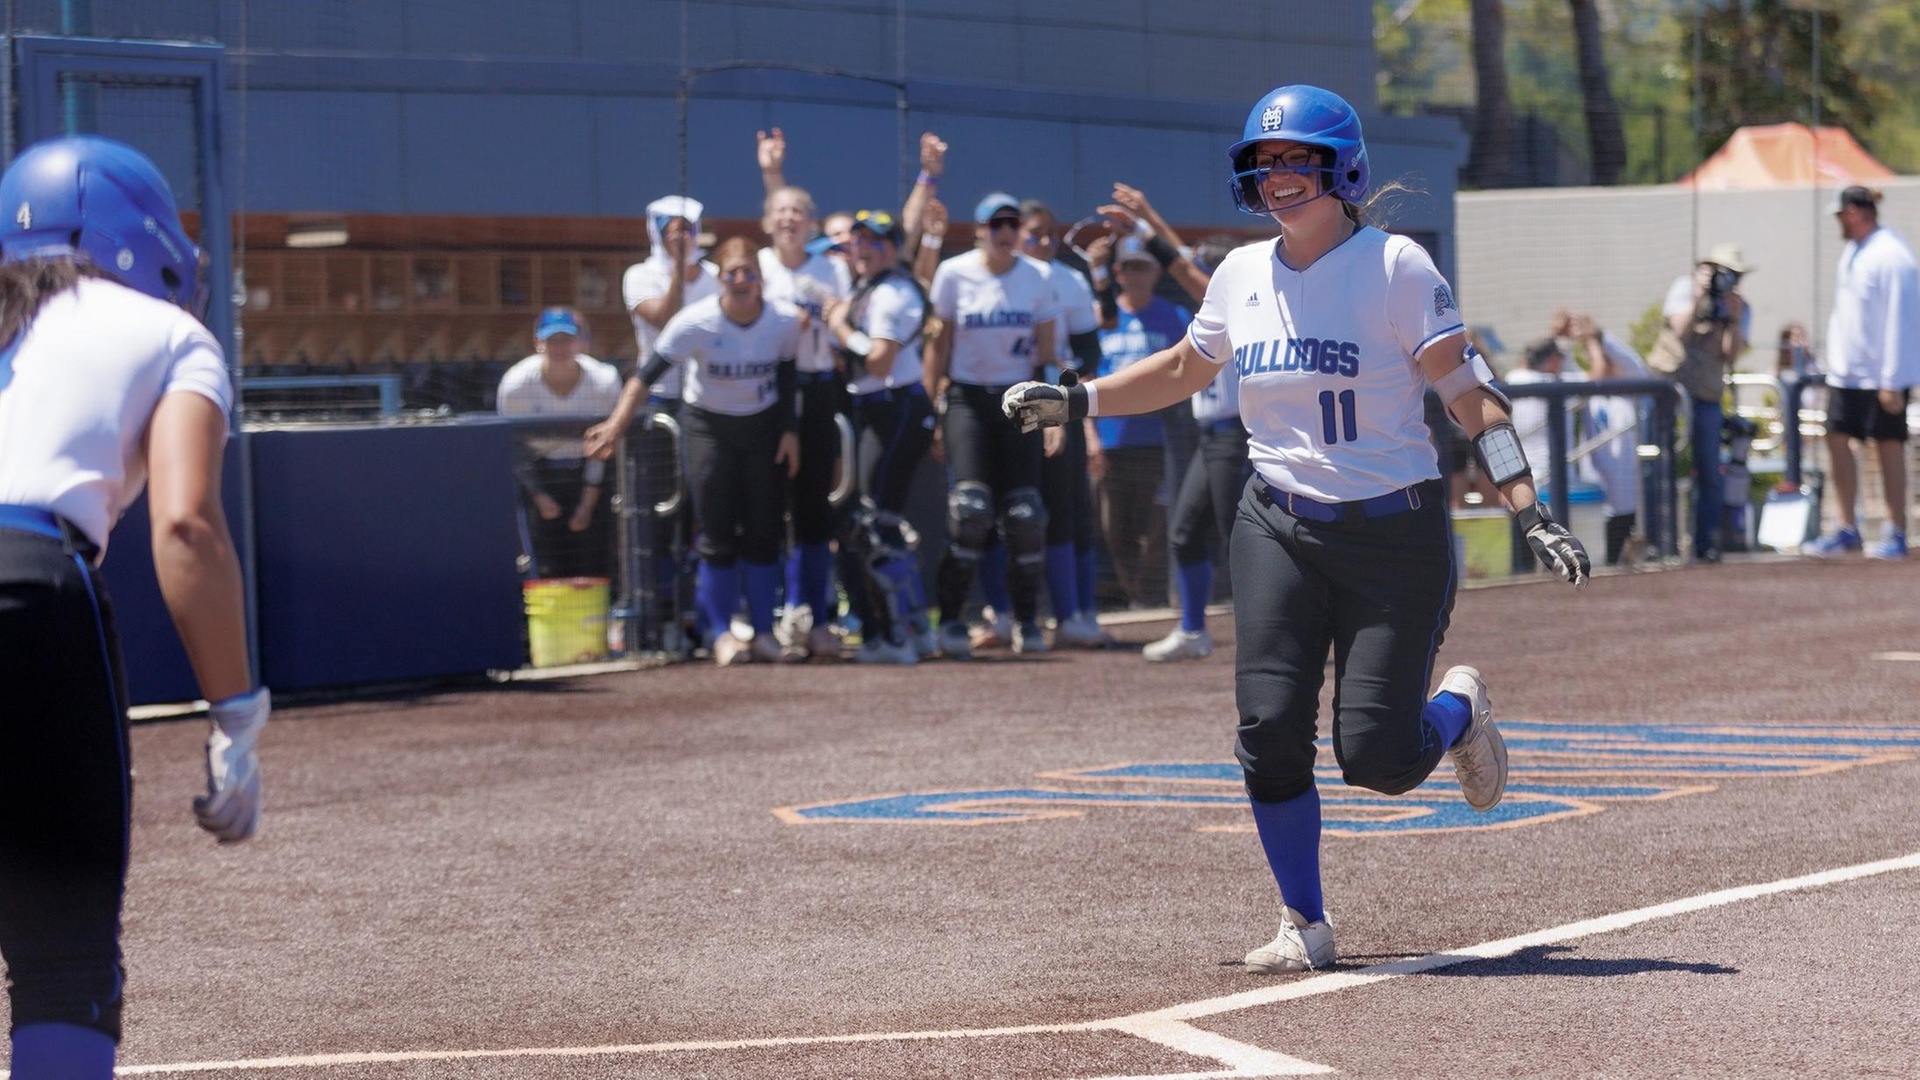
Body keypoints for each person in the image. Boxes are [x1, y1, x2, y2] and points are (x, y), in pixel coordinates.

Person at [1003, 85, 1589, 973]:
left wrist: (1529, 509)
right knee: (1269, 725)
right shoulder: (1240, 274)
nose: (1278, 177)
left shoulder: (1396, 266)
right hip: (1274, 521)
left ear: (1341, 166)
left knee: (1379, 759)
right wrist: (1075, 397)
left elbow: (1471, 399)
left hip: (1393, 537)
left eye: (1297, 160)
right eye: (1264, 163)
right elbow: (1179, 366)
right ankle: (1303, 920)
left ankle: (1460, 709)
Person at [0, 135, 270, 1079]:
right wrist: (237, 716)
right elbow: (187, 526)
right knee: (62, 961)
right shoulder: (170, 336)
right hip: (30, 587)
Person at [589, 237, 803, 665]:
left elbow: (788, 376)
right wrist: (615, 424)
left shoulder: (783, 320)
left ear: (761, 279)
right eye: (732, 273)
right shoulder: (695, 322)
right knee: (716, 530)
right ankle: (721, 633)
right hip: (709, 427)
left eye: (750, 273)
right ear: (719, 277)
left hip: (762, 428)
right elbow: (645, 375)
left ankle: (763, 631)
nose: (741, 281)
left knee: (764, 530)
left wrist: (790, 432)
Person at [924, 192, 1058, 658]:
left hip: (1019, 399)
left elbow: (1048, 355)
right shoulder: (953, 274)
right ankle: (952, 621)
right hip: (967, 398)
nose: (1004, 233)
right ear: (979, 230)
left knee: (1025, 514)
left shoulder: (1038, 277)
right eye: (995, 224)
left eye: (1011, 224)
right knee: (971, 509)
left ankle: (1026, 621)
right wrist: (932, 410)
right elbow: (937, 346)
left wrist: (1055, 413)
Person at [825, 210, 939, 663]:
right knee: (876, 523)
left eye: (874, 241)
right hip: (876, 408)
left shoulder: (892, 292)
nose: (863, 249)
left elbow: (878, 360)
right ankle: (913, 629)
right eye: (858, 241)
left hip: (896, 406)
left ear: (893, 248)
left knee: (874, 523)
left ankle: (899, 635)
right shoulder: (866, 288)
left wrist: (840, 329)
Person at [753, 161, 849, 658]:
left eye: (798, 212)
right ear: (768, 221)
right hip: (764, 395)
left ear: (811, 224)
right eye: (780, 211)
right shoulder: (757, 267)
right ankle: (763, 623)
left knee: (814, 508)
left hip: (816, 391)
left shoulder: (831, 268)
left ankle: (815, 616)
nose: (789, 219)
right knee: (767, 509)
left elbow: (842, 330)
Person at [619, 196, 715, 649]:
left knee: (699, 512)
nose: (680, 235)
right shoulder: (639, 275)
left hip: (705, 404)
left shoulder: (715, 278)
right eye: (669, 228)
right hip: (657, 401)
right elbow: (663, 319)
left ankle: (697, 613)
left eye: (687, 228)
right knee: (658, 513)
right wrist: (679, 267)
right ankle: (654, 619)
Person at [1804, 186, 1919, 560]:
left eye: (1840, 215)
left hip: (1880, 376)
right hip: (1847, 375)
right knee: (1836, 439)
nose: (1838, 222)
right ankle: (1845, 527)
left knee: (1888, 447)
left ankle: (1896, 529)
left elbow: (1902, 319)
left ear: (1854, 211)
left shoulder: (1892, 255)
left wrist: (1892, 378)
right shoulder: (1854, 252)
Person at [1018, 198, 1111, 648]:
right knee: (1007, 509)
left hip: (1056, 401)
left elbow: (1089, 353)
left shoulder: (1069, 279)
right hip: (1000, 404)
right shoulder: (986, 275)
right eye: (1033, 233)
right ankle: (1008, 617)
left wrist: (1069, 405)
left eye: (1049, 233)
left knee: (1068, 507)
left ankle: (1076, 614)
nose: (1042, 242)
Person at [1090, 236, 1187, 612]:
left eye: (1142, 266)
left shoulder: (1175, 317)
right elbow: (1083, 375)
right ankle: (1126, 598)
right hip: (1112, 440)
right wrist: (1090, 437)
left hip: (1160, 440)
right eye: (1128, 267)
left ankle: (1152, 599)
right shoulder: (1103, 317)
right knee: (1115, 528)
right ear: (1117, 272)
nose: (1135, 274)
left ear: (1156, 271)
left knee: (1159, 526)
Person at [495, 307, 625, 580]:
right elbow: (513, 448)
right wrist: (540, 495)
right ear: (537, 343)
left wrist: (587, 504)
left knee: (593, 559)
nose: (559, 347)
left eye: (566, 339)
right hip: (538, 475)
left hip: (589, 474)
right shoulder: (515, 385)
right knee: (546, 563)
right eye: (552, 340)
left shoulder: (604, 381)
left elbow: (603, 446)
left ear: (580, 342)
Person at [1653, 243, 1751, 562]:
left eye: (1733, 275)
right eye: (1721, 272)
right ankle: (1658, 541)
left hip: (1706, 395)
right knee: (1660, 464)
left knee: (1710, 471)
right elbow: (1679, 331)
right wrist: (1700, 296)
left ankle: (1705, 542)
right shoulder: (1684, 289)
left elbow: (1731, 353)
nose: (1727, 280)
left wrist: (1732, 319)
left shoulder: (1739, 306)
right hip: (1669, 390)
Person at [1554, 311, 1650, 565]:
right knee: (1591, 557)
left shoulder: (1629, 390)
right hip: (1593, 487)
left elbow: (1631, 364)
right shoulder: (1584, 383)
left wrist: (1596, 338)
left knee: (1617, 547)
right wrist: (1562, 337)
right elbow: (1561, 366)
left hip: (1625, 487)